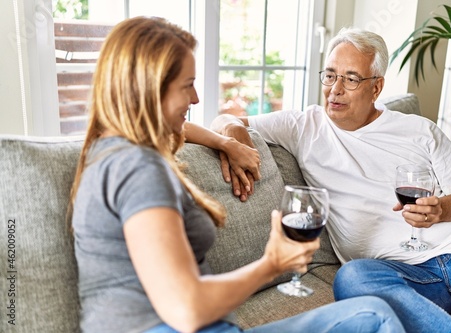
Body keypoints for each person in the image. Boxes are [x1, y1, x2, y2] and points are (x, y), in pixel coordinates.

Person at [69, 17, 405, 333]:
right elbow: (185, 308)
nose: (196, 97)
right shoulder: (138, 168)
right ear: (148, 91)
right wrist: (272, 263)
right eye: (187, 85)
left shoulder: (111, 147)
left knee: (372, 314)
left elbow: (182, 127)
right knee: (374, 317)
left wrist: (224, 141)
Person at [211, 27, 451, 333]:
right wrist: (233, 139)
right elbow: (224, 119)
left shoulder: (419, 130)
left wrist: (440, 209)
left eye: (350, 79)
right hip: (396, 273)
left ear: (376, 88)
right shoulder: (302, 126)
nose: (335, 89)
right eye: (330, 75)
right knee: (352, 278)